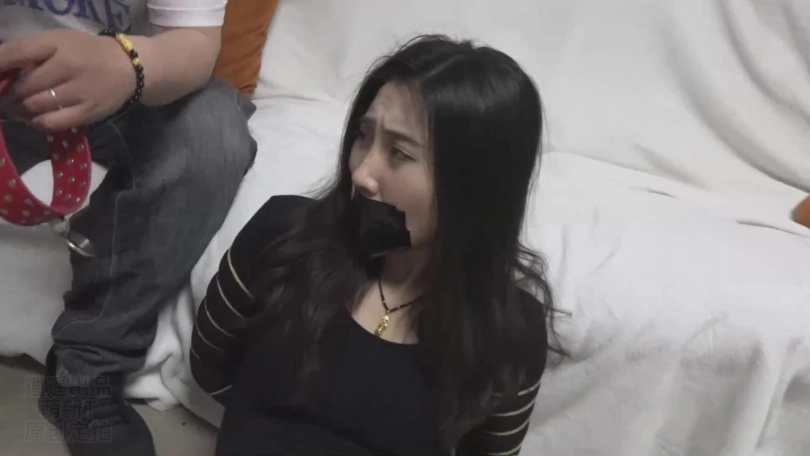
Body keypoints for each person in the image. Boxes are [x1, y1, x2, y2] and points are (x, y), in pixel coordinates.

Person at [191, 35, 563, 455]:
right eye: (363, 136)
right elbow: (209, 364)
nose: (362, 174)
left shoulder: (508, 334)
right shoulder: (281, 236)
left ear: (474, 187)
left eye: (399, 153)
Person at [0, 2, 256, 455]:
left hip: (127, 87)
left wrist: (126, 66)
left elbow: (195, 43)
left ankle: (85, 369)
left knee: (212, 134)